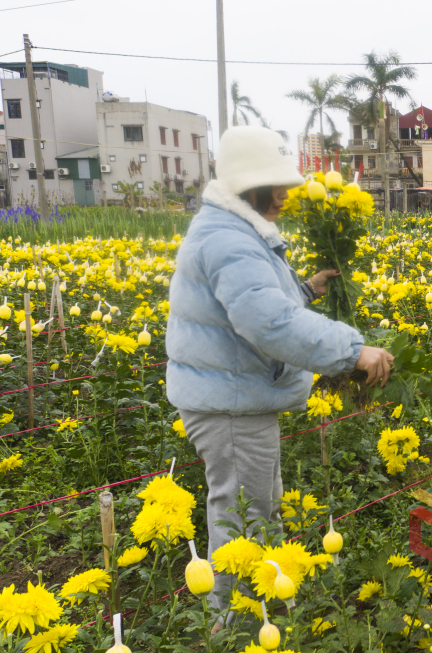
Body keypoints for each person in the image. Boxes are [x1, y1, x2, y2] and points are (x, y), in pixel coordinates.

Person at [166, 126, 394, 618]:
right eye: (280, 185)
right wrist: (353, 351)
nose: (289, 196)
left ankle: (262, 610)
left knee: (258, 511)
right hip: (229, 403)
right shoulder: (229, 239)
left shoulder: (234, 229)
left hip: (237, 395)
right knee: (240, 521)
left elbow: (256, 301)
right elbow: (267, 322)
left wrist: (307, 288)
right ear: (254, 185)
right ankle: (235, 629)